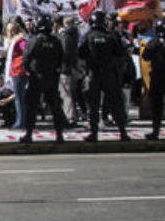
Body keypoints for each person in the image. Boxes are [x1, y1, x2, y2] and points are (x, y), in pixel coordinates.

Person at [79, 10, 130, 141]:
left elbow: (80, 54)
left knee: (93, 106)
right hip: (109, 74)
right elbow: (120, 52)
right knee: (115, 103)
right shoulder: (112, 36)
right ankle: (123, 132)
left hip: (94, 74)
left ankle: (94, 133)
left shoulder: (88, 36)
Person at [21, 14, 69, 142]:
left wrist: (30, 71)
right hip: (52, 78)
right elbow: (61, 59)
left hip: (37, 78)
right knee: (55, 107)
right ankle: (59, 134)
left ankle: (28, 134)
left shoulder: (34, 40)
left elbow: (26, 58)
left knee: (31, 106)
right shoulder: (56, 41)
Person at [140, 18, 165, 139]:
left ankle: (155, 131)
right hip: (158, 76)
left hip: (158, 77)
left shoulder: (154, 42)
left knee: (157, 106)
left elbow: (145, 56)